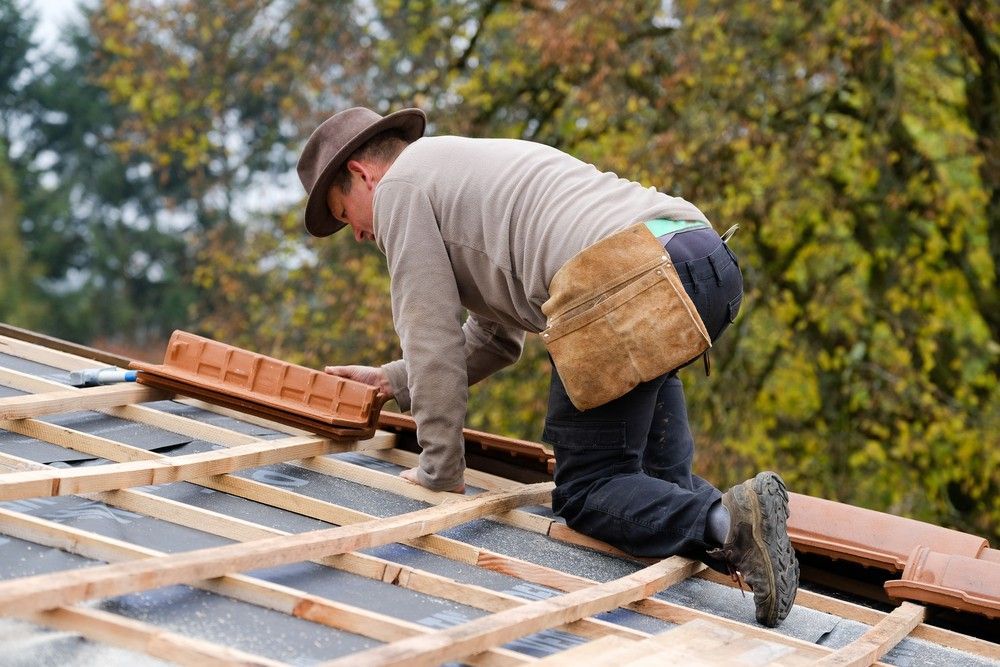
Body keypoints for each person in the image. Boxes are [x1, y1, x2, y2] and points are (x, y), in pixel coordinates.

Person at [297, 106, 799, 626]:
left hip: (622, 281)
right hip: (697, 259)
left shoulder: (400, 188)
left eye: (343, 213)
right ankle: (745, 528)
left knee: (588, 489)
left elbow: (432, 341)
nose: (356, 234)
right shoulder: (456, 171)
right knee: (654, 485)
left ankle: (734, 521)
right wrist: (391, 379)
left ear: (362, 173)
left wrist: (439, 473)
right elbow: (495, 340)